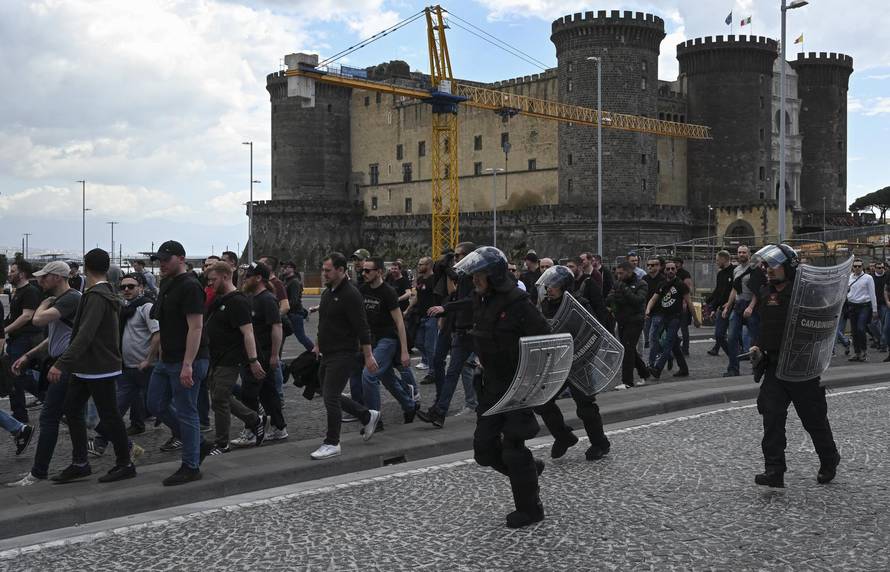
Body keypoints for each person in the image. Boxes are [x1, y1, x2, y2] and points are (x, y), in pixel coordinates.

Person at [457, 246, 551, 529]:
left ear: (494, 275)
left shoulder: (518, 302)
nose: (475, 280)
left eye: (480, 274)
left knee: (513, 448)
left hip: (517, 386)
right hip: (491, 385)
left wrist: (532, 382)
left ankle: (530, 508)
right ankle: (529, 471)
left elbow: (546, 341)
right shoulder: (481, 299)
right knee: (483, 450)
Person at [748, 244, 840, 488]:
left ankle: (829, 459)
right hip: (775, 367)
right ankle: (774, 470)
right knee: (772, 417)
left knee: (814, 420)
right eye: (766, 265)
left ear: (789, 266)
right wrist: (757, 346)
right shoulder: (766, 292)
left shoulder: (806, 293)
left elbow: (823, 323)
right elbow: (765, 326)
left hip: (802, 368)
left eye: (774, 265)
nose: (768, 270)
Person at [50, 249, 135, 483]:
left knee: (109, 415)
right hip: (88, 365)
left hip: (98, 365)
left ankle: (124, 463)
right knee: (72, 409)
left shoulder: (97, 296)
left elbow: (85, 334)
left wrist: (61, 363)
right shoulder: (101, 293)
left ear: (86, 268)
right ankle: (80, 462)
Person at [6, 260, 79, 487]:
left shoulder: (70, 298)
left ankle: (38, 473)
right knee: (75, 416)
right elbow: (53, 338)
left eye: (45, 277)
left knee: (50, 417)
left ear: (58, 277)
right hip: (58, 363)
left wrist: (44, 303)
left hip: (66, 365)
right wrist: (29, 355)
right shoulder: (59, 300)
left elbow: (37, 320)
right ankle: (83, 461)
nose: (40, 280)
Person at [148, 240, 211, 486]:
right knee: (154, 404)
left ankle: (191, 465)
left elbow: (196, 327)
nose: (162, 264)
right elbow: (163, 324)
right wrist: (156, 355)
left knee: (187, 411)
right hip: (168, 359)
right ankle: (197, 443)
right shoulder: (167, 284)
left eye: (167, 259)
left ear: (181, 259)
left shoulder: (190, 286)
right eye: (160, 260)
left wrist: (188, 364)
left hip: (188, 360)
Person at [534, 266, 612, 461]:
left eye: (553, 285)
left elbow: (595, 333)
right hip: (556, 363)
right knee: (543, 402)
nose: (548, 289)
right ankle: (563, 436)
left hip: (579, 362)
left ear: (564, 286)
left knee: (585, 406)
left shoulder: (580, 304)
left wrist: (583, 357)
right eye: (547, 285)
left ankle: (600, 444)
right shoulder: (545, 305)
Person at [310, 252, 381, 460]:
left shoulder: (351, 294)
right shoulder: (328, 292)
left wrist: (368, 356)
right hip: (327, 351)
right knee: (326, 392)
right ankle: (366, 415)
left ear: (341, 270)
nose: (324, 274)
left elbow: (362, 327)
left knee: (330, 396)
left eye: (328, 270)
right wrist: (317, 344)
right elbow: (324, 322)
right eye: (323, 270)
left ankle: (332, 442)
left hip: (343, 353)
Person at [203, 261, 266, 454]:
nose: (210, 283)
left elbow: (248, 332)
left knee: (220, 399)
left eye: (213, 279)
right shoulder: (220, 299)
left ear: (225, 276)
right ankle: (254, 419)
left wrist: (253, 360)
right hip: (216, 356)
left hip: (230, 358)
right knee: (219, 397)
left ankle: (222, 443)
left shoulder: (237, 302)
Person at [419, 243, 480, 427]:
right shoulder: (461, 274)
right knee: (451, 370)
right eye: (455, 256)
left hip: (472, 329)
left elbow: (469, 300)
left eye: (459, 255)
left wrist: (444, 308)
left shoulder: (475, 276)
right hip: (459, 326)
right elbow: (454, 294)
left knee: (476, 370)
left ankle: (479, 405)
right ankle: (439, 410)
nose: (456, 259)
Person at [352, 257, 417, 425]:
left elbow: (399, 322)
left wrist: (404, 351)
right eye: (363, 270)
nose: (364, 273)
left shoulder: (388, 292)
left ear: (379, 272)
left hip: (387, 340)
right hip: (371, 340)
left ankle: (374, 419)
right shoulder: (362, 289)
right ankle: (409, 406)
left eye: (368, 270)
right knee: (388, 379)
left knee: (369, 374)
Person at [231, 262, 287, 445]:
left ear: (258, 278)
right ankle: (279, 427)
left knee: (249, 393)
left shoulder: (267, 299)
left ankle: (252, 430)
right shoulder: (251, 297)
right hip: (253, 353)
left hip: (260, 354)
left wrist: (274, 355)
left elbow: (277, 327)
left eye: (248, 275)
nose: (245, 278)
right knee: (268, 394)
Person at [117, 273, 159, 436]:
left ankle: (182, 433)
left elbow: (157, 334)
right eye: (123, 287)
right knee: (122, 402)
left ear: (141, 288)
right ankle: (103, 438)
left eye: (131, 286)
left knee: (159, 404)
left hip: (146, 365)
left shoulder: (146, 306)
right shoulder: (125, 307)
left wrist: (149, 359)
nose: (126, 289)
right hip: (128, 365)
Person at [3, 259, 43, 423]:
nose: (9, 274)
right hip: (16, 339)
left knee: (17, 374)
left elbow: (27, 315)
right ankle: (19, 413)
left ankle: (48, 399)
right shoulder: (17, 292)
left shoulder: (30, 291)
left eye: (13, 271)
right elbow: (13, 316)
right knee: (14, 375)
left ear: (22, 274)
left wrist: (4, 331)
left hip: (26, 338)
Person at [646, 260, 700, 379]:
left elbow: (689, 302)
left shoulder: (681, 284)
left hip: (675, 318)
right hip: (664, 317)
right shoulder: (662, 284)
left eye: (673, 269)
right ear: (664, 270)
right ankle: (683, 369)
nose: (670, 271)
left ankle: (657, 369)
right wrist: (648, 310)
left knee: (668, 343)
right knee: (674, 344)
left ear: (676, 270)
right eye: (668, 269)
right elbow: (653, 299)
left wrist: (696, 319)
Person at [723, 245, 765, 377]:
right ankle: (733, 369)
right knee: (732, 337)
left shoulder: (755, 269)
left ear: (749, 254)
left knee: (755, 339)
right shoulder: (736, 270)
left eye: (744, 252)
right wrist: (728, 306)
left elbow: (757, 290)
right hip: (738, 306)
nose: (741, 254)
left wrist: (751, 307)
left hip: (751, 306)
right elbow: (734, 290)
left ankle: (758, 367)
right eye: (739, 252)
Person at [607, 262, 650, 389]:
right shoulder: (617, 284)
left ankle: (627, 381)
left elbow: (637, 301)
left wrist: (624, 292)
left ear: (629, 271)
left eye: (621, 273)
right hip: (622, 320)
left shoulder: (641, 284)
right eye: (617, 273)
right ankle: (644, 372)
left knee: (627, 349)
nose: (618, 276)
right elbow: (610, 299)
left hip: (635, 320)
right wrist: (614, 309)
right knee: (628, 348)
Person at [411, 257, 439, 373]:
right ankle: (428, 361)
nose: (418, 266)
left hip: (432, 317)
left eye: (421, 264)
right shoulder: (420, 279)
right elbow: (417, 296)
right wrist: (408, 309)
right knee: (418, 342)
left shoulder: (435, 279)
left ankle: (433, 371)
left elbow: (440, 297)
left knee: (429, 345)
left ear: (428, 265)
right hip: (421, 316)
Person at [846, 258, 877, 362]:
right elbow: (846, 291)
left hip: (864, 306)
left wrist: (875, 310)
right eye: (855, 266)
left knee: (860, 328)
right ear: (852, 267)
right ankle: (857, 353)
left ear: (862, 267)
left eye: (859, 266)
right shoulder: (849, 277)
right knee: (854, 331)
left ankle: (864, 352)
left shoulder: (868, 278)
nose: (857, 268)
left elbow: (872, 294)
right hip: (852, 306)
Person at [706, 251, 735, 357]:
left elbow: (736, 290)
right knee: (719, 335)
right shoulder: (720, 274)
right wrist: (712, 305)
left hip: (733, 307)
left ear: (724, 259)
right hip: (722, 308)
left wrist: (730, 303)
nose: (716, 262)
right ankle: (732, 356)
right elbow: (718, 291)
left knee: (734, 336)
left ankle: (735, 357)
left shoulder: (734, 272)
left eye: (718, 260)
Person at [282, 261, 315, 352]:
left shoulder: (294, 282)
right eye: (283, 267)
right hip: (290, 314)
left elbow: (294, 301)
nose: (283, 268)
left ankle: (315, 353)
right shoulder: (286, 281)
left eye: (286, 267)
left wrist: (284, 308)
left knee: (301, 337)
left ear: (292, 269)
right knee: (280, 337)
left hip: (294, 314)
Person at [641, 257, 664, 350]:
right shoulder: (644, 278)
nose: (649, 267)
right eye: (648, 265)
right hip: (647, 310)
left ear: (658, 266)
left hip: (659, 310)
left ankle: (656, 353)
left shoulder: (663, 279)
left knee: (654, 333)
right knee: (646, 333)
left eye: (652, 265)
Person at [673, 257, 694, 356]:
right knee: (674, 328)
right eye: (674, 262)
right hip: (674, 305)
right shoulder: (672, 273)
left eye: (677, 263)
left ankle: (685, 348)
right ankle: (678, 344)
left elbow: (688, 289)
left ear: (681, 264)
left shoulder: (685, 274)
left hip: (683, 305)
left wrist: (685, 303)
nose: (675, 265)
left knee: (683, 328)